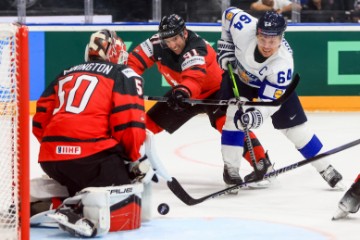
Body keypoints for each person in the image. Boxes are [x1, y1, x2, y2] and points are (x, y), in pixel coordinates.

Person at [32, 29, 153, 237]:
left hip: (51, 159)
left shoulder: (66, 72)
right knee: (127, 189)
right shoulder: (123, 74)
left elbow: (39, 121)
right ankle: (78, 212)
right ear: (115, 52)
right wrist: (132, 160)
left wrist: (60, 150)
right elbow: (130, 124)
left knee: (79, 175)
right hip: (90, 157)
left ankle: (42, 202)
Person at [127, 14, 269, 189]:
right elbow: (133, 62)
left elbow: (194, 79)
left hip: (214, 91)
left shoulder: (197, 47)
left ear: (184, 33)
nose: (171, 45)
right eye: (167, 40)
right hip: (184, 92)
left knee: (229, 124)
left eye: (175, 39)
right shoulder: (156, 43)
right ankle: (124, 162)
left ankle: (261, 162)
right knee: (146, 125)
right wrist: (128, 84)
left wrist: (182, 92)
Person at [216, 8, 345, 189]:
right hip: (241, 79)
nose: (267, 45)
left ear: (281, 37)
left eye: (273, 40)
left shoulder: (283, 65)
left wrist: (255, 116)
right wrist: (226, 44)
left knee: (296, 130)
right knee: (233, 120)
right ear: (257, 32)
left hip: (271, 89)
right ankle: (231, 170)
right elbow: (228, 13)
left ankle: (326, 168)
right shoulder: (243, 28)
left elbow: (271, 103)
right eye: (263, 39)